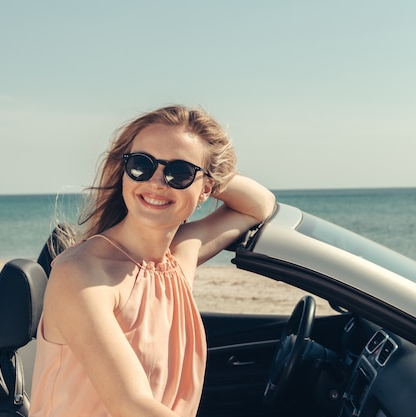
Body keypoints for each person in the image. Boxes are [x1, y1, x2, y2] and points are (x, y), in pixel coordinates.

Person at [30, 105, 276, 417]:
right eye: (141, 165)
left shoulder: (176, 260)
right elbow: (131, 404)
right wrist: (192, 176)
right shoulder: (82, 274)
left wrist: (205, 175)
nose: (157, 182)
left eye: (179, 173)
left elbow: (260, 206)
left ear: (207, 189)